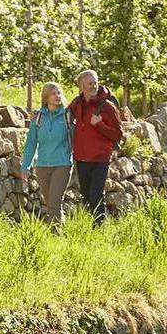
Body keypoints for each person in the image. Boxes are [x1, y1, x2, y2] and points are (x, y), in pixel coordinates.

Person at [67, 69, 123, 225]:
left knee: (96, 194)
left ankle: (99, 228)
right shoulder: (76, 104)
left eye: (95, 82)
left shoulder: (107, 107)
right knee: (85, 195)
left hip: (100, 158)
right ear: (81, 86)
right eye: (89, 83)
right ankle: (88, 228)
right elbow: (63, 116)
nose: (93, 86)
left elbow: (118, 134)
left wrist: (100, 125)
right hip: (81, 157)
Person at [20, 81, 73, 226]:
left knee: (55, 203)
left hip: (62, 165)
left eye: (59, 93)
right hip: (42, 166)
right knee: (50, 205)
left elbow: (77, 140)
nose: (57, 96)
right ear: (46, 98)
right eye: (53, 93)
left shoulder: (67, 116)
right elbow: (31, 143)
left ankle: (56, 236)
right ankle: (61, 230)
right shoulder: (38, 118)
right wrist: (25, 166)